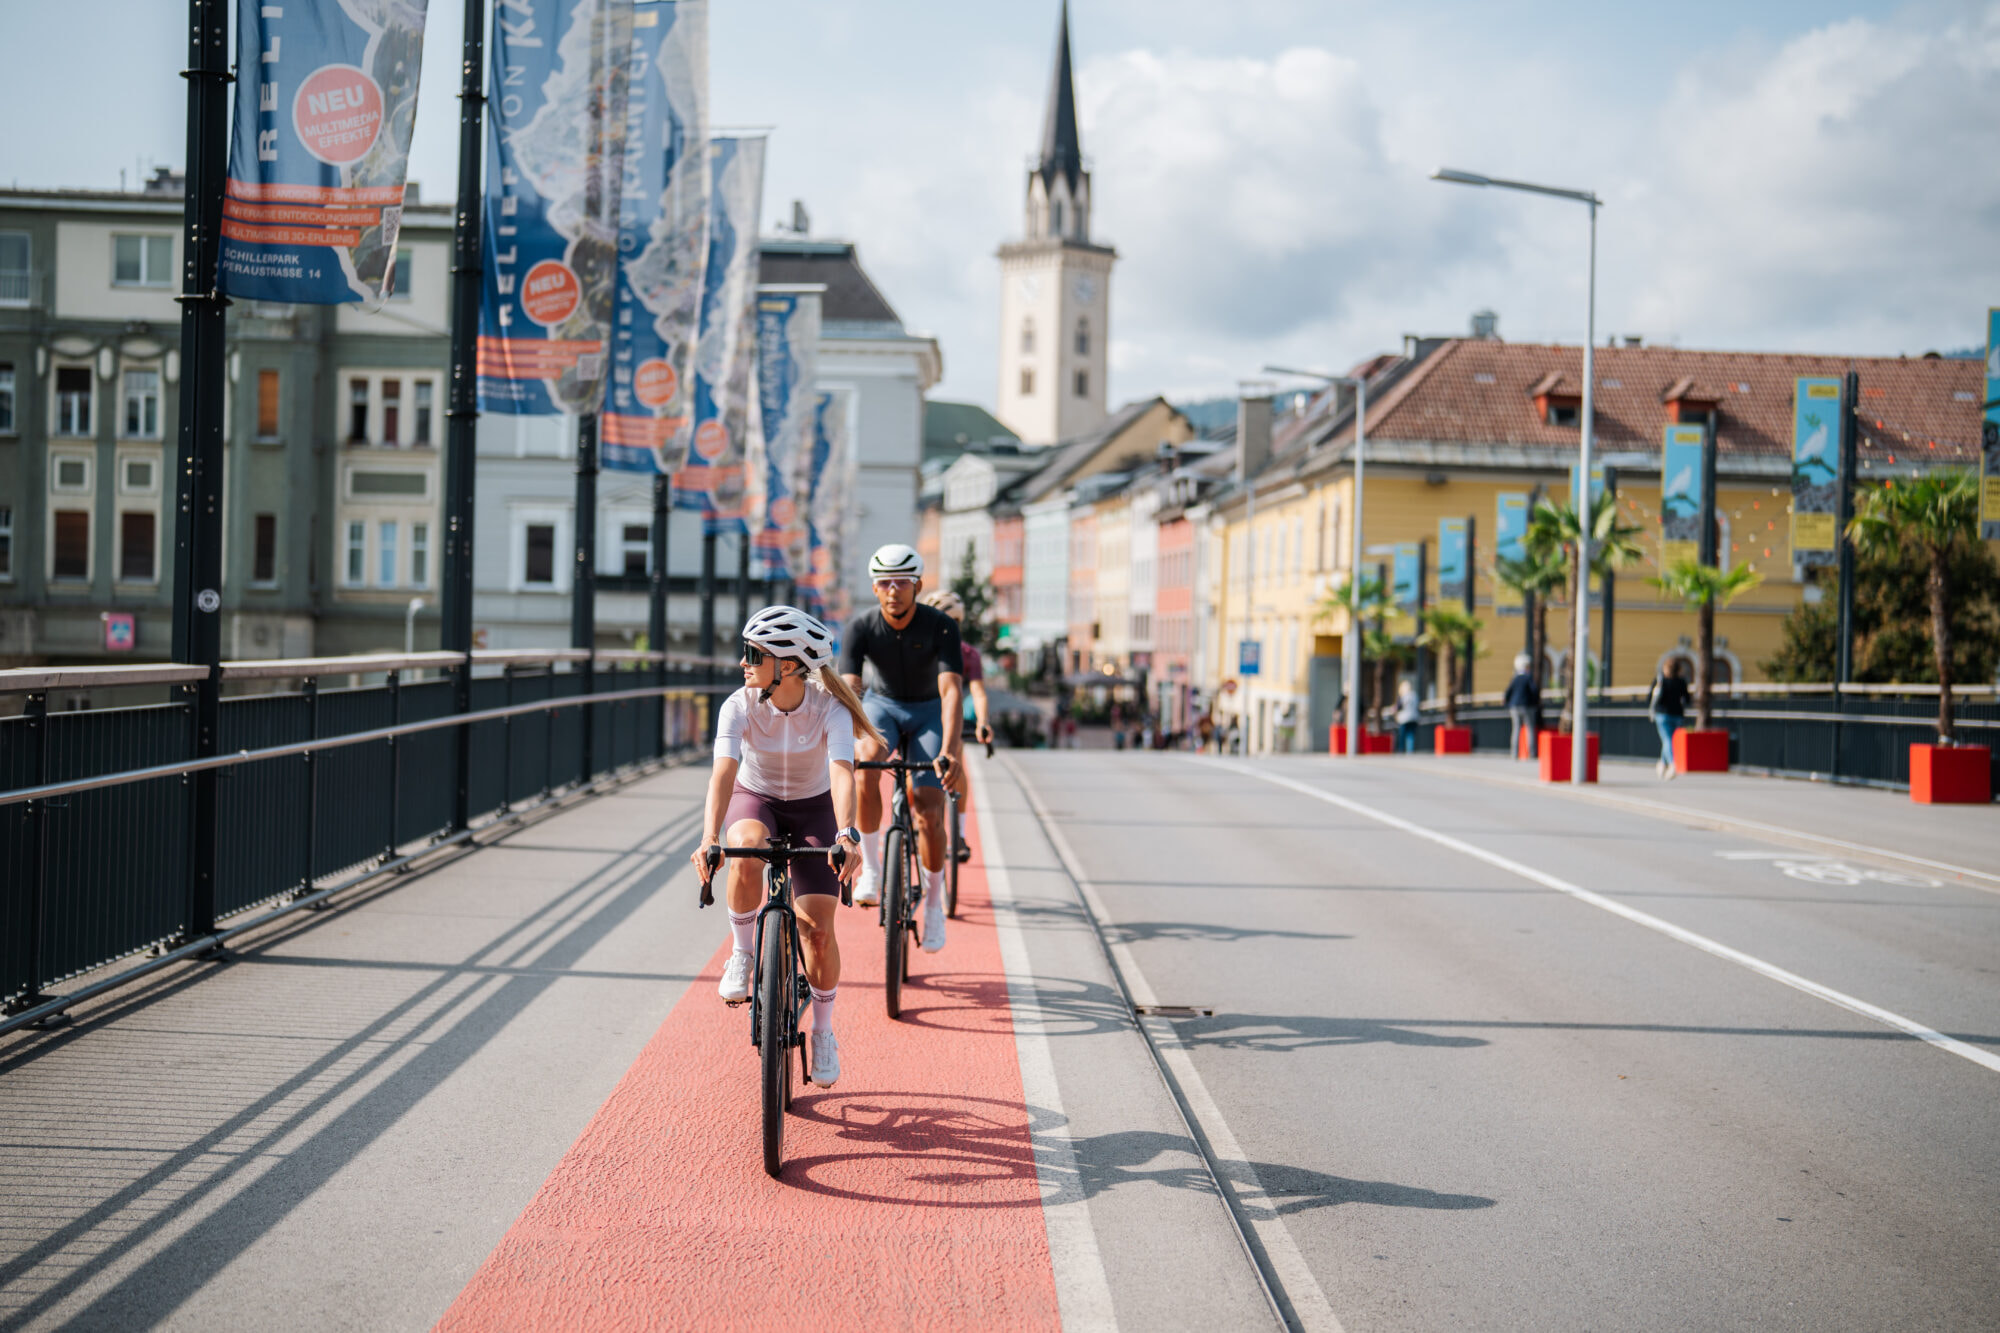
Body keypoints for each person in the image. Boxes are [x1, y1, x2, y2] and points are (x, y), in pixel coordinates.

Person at [693, 606, 881, 1089]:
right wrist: (709, 838)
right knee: (747, 845)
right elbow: (723, 774)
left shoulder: (829, 708)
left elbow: (842, 772)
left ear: (791, 665)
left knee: (817, 929)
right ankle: (742, 952)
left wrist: (846, 834)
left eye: (754, 654)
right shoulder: (739, 704)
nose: (743, 662)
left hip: (814, 808)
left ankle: (822, 1031)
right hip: (755, 800)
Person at [841, 544, 964, 954]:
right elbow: (851, 689)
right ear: (875, 589)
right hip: (884, 706)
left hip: (929, 711)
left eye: (902, 583)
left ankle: (932, 904)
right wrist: (848, 740)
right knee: (867, 765)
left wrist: (950, 750)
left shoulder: (942, 625)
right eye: (884, 583)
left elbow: (950, 692)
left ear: (918, 586)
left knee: (928, 807)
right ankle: (872, 870)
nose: (893, 591)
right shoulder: (861, 627)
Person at [921, 589, 992, 861]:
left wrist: (983, 722)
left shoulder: (968, 654)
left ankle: (959, 832)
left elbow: (979, 692)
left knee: (957, 754)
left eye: (951, 623)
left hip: (951, 714)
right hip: (923, 713)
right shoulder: (919, 649)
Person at [1648, 657, 1692, 779]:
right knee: (1669, 740)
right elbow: (1687, 699)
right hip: (1677, 715)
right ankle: (1662, 764)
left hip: (1662, 714)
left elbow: (1649, 697)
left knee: (1667, 740)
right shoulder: (1681, 681)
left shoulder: (1660, 680)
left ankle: (1672, 764)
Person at [1503, 653, 1540, 762]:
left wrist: (1507, 702)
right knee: (1530, 729)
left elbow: (1508, 692)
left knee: (1516, 729)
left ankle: (1514, 753)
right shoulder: (1528, 677)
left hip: (1514, 706)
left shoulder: (1515, 678)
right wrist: (1535, 702)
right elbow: (1534, 691)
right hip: (1526, 706)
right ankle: (1532, 754)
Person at [1394, 679, 1421, 752]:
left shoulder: (1402, 696)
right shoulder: (1415, 695)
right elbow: (1418, 706)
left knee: (1402, 736)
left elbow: (1398, 707)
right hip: (1414, 718)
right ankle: (1410, 751)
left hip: (1403, 719)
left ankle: (1401, 751)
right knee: (1410, 736)